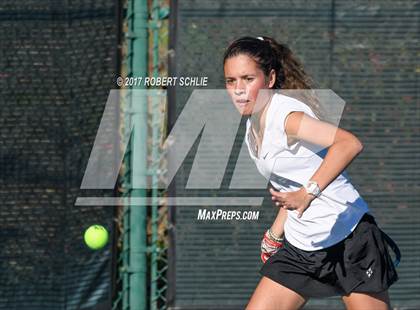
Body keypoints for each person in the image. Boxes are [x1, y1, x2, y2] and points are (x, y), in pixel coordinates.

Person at [223, 36, 399, 310]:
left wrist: (308, 194)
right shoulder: (251, 127)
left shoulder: (288, 116)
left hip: (349, 239)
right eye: (231, 81)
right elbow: (292, 182)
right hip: (302, 246)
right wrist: (275, 232)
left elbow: (349, 143)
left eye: (247, 79)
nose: (238, 90)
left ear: (269, 79)